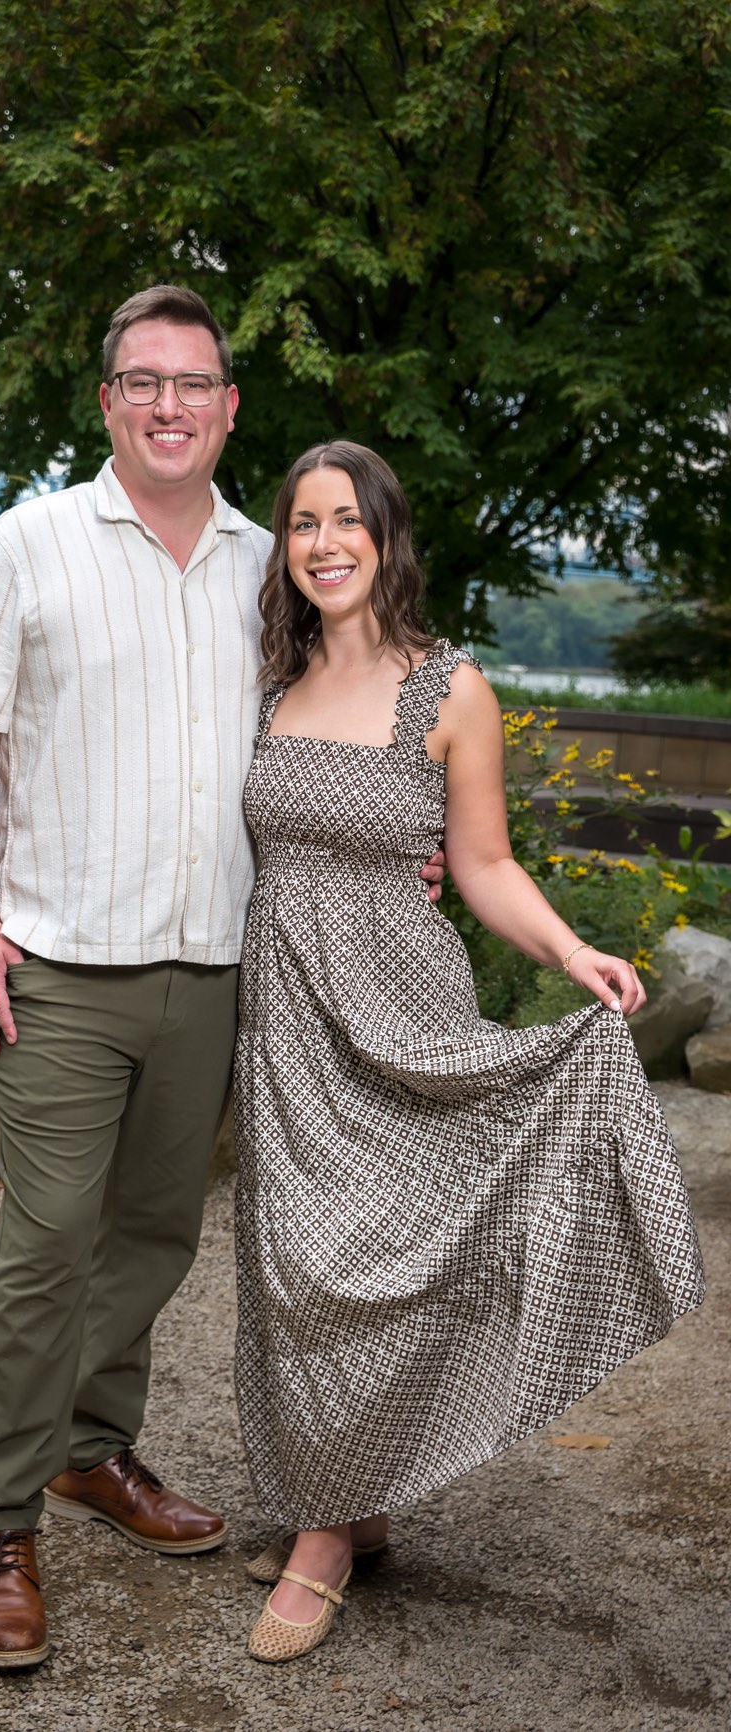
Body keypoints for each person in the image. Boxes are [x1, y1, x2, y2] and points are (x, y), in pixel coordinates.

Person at [0, 284, 449, 1668]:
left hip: (215, 967)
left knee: (157, 1236)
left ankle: (97, 1454)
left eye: (193, 385)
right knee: (46, 1248)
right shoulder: (25, 546)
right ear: (109, 402)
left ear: (225, 408)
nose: (168, 405)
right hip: (59, 967)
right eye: (141, 381)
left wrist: (415, 837)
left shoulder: (271, 564)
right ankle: (1, 1522)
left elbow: (354, 713)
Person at [232, 440, 705, 1664]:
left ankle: (326, 1530)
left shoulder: (449, 689)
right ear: (283, 546)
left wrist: (572, 957)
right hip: (287, 1018)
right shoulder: (262, 672)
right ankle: (349, 1503)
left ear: (386, 536)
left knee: (397, 1255)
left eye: (346, 520)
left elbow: (483, 863)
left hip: (402, 1011)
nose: (323, 543)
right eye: (301, 524)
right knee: (304, 1267)